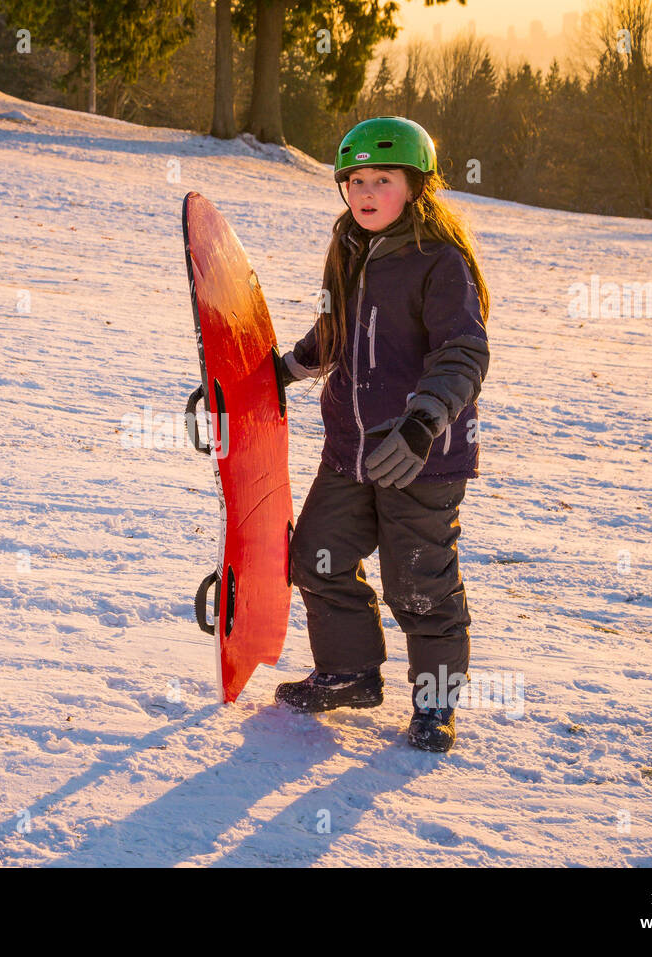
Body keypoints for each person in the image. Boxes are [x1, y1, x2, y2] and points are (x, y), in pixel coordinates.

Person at [274, 116, 490, 753]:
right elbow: (332, 331)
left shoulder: (438, 262)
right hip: (350, 450)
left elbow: (462, 353)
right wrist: (281, 373)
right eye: (356, 180)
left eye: (384, 180)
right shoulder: (348, 246)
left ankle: (434, 705)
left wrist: (424, 423)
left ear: (416, 187)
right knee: (316, 556)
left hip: (421, 458)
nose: (366, 192)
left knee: (419, 585)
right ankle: (349, 674)